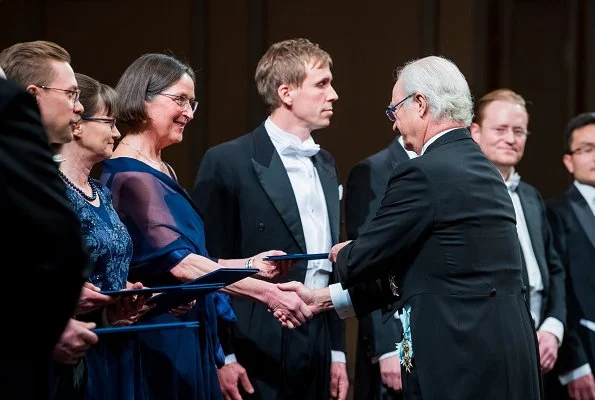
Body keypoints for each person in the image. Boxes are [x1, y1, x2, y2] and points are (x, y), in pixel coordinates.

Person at [279, 55, 543, 400]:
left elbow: (366, 259)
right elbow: (434, 270)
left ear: (420, 104)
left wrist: (344, 253)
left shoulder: (423, 171)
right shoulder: (485, 169)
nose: (393, 124)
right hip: (506, 355)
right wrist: (324, 299)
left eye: (395, 110)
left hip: (459, 358)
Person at [100, 52, 312, 400]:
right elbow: (180, 265)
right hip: (160, 338)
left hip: (187, 331)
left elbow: (184, 257)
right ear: (143, 97)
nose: (188, 113)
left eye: (192, 102)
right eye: (179, 100)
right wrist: (268, 294)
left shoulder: (160, 169)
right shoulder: (131, 175)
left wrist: (248, 266)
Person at [193, 37, 348, 400]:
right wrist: (223, 355)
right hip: (253, 337)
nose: (334, 94)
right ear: (287, 92)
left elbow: (334, 261)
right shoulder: (227, 161)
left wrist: (337, 352)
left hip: (317, 333)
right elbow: (205, 262)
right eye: (322, 84)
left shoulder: (325, 162)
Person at [50, 72, 153, 399]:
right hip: (72, 352)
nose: (117, 132)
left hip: (115, 339)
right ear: (78, 125)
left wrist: (123, 297)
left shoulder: (100, 192)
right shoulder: (52, 192)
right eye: (109, 122)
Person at [0, 65, 89, 397]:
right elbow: (56, 243)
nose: (79, 107)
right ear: (33, 95)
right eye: (71, 94)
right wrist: (49, 322)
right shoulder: (7, 104)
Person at [470, 89, 566, 394]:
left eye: (519, 131)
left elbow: (556, 270)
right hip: (488, 347)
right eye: (500, 129)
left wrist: (553, 329)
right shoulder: (465, 194)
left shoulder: (531, 196)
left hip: (540, 348)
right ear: (475, 132)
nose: (511, 138)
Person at [345, 134, 416, 400]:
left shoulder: (446, 169)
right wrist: (387, 347)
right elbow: (368, 264)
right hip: (396, 338)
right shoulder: (373, 171)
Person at [547, 112, 595, 400]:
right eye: (587, 149)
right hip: (584, 354)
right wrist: (573, 365)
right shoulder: (554, 212)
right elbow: (558, 289)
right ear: (569, 161)